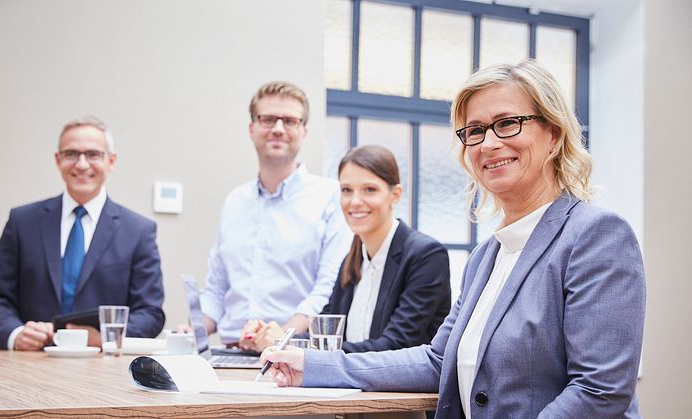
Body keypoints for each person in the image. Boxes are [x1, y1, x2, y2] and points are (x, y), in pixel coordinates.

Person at [262, 60, 646, 418]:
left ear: (553, 135)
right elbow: (438, 360)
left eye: (507, 123)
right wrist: (313, 365)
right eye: (475, 130)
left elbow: (600, 390)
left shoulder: (596, 236)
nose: (488, 143)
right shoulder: (486, 256)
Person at [243, 145, 451, 353]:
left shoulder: (427, 256)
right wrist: (276, 338)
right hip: (355, 384)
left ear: (395, 195)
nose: (355, 202)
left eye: (369, 189)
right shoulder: (352, 261)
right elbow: (324, 335)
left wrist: (288, 345)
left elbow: (394, 346)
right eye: (346, 190)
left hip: (402, 386)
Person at [0, 116, 165, 350]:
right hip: (30, 365)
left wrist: (106, 339)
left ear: (111, 161)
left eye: (93, 154)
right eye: (71, 154)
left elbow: (150, 312)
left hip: (103, 370)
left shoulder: (139, 231)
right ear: (58, 160)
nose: (81, 164)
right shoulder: (22, 222)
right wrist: (16, 334)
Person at [199, 81, 351, 346]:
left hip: (293, 354)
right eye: (268, 119)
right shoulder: (235, 201)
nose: (278, 129)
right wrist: (193, 329)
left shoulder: (331, 197)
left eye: (290, 121)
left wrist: (280, 337)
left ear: (304, 131)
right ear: (252, 128)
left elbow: (327, 287)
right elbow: (216, 289)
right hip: (229, 353)